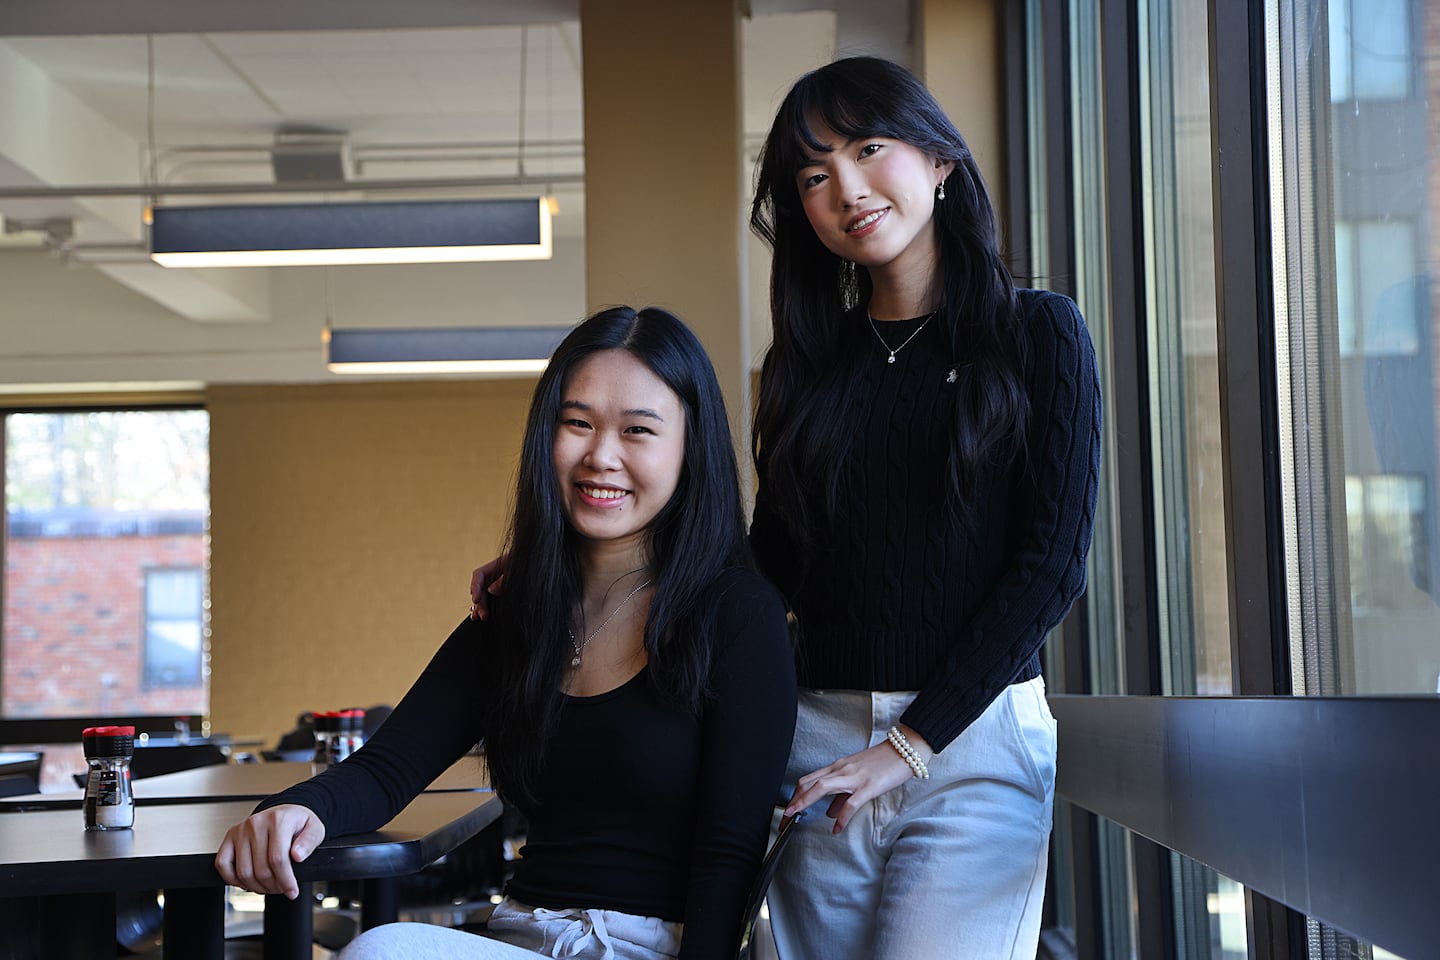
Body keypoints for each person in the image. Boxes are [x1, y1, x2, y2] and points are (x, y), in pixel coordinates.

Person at [472, 57, 1100, 959]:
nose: (846, 188)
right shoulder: (812, 366)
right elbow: (767, 557)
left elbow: (1051, 567)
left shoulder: (1040, 333)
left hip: (972, 743)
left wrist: (914, 742)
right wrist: (575, 563)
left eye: (869, 149)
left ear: (939, 162)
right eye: (813, 175)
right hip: (817, 741)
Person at [217, 305, 797, 960]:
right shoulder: (519, 610)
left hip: (646, 947)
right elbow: (387, 769)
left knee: (380, 952)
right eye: (577, 423)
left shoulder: (738, 614)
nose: (600, 456)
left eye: (638, 430)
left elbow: (730, 854)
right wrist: (297, 811)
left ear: (691, 449)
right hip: (519, 937)